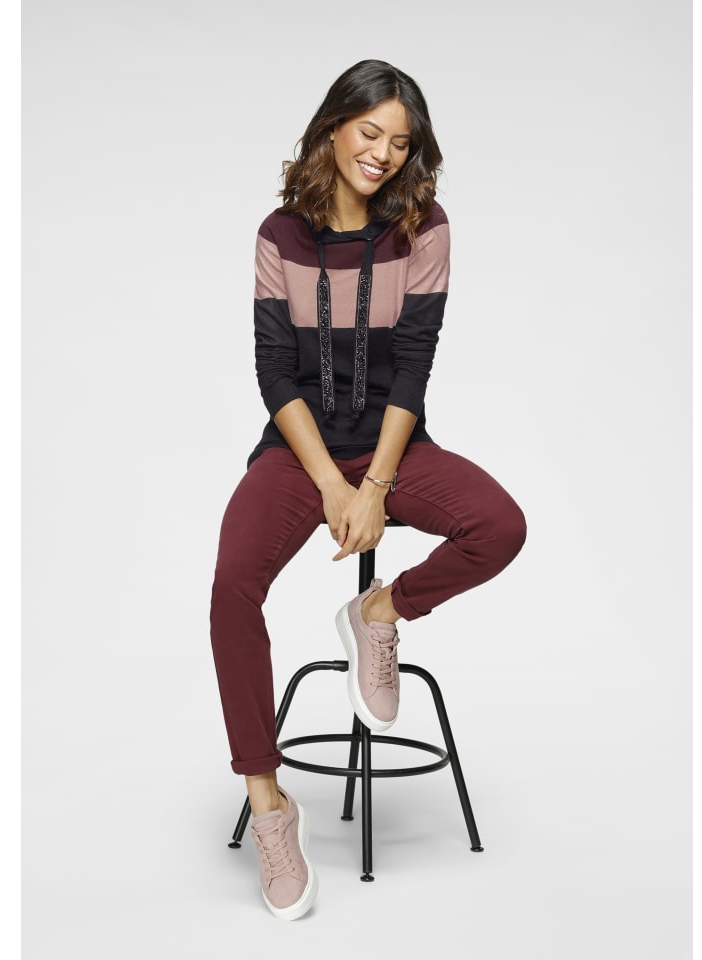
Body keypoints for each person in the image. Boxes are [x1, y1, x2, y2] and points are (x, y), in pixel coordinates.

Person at [210, 59, 527, 921]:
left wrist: (376, 484)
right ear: (333, 127)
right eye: (369, 131)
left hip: (392, 445)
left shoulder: (423, 228)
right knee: (231, 587)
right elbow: (275, 372)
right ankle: (270, 804)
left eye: (400, 141)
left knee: (499, 525)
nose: (383, 153)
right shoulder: (280, 233)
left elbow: (414, 365)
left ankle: (377, 612)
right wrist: (330, 483)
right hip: (299, 454)